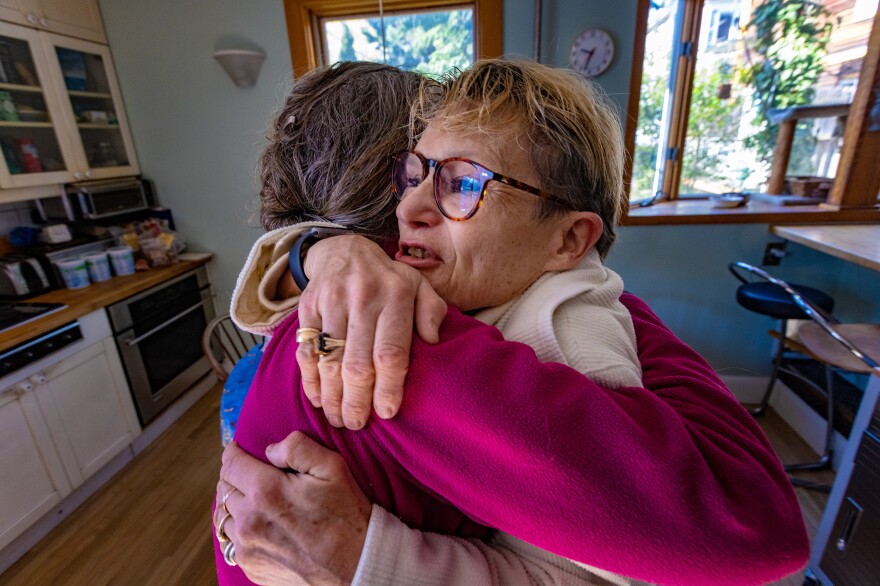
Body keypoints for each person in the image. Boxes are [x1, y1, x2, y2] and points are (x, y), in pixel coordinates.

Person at [216, 59, 809, 585]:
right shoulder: (373, 333)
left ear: (570, 237)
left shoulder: (542, 334)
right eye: (412, 174)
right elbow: (751, 526)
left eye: (463, 183)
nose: (412, 208)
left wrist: (312, 252)